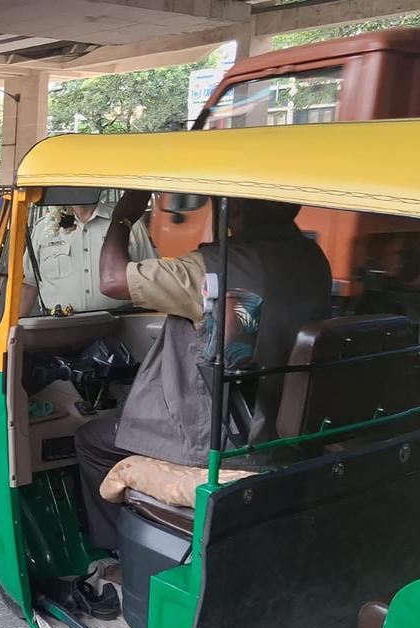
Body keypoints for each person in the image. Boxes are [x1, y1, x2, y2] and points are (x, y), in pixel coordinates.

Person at [74, 190, 331, 550]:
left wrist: (122, 218)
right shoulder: (312, 258)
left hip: (218, 436)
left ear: (234, 207)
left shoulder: (212, 267)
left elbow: (113, 280)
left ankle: (118, 556)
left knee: (90, 439)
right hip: (283, 429)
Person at [20, 199, 158, 316]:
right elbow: (29, 284)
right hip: (57, 327)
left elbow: (151, 279)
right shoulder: (43, 229)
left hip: (119, 325)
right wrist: (14, 330)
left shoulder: (127, 223)